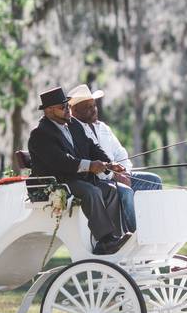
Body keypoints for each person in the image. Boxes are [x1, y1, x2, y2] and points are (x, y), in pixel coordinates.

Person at [28, 86, 130, 255]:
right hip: (57, 182)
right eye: (63, 107)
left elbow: (92, 147)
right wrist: (89, 166)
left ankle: (114, 238)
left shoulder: (74, 124)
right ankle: (105, 240)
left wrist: (109, 163)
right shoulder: (40, 134)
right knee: (91, 192)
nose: (68, 110)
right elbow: (60, 161)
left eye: (68, 106)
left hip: (77, 179)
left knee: (110, 190)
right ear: (49, 110)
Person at [67, 84, 163, 232]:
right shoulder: (74, 131)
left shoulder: (103, 127)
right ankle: (134, 234)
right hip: (98, 180)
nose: (94, 109)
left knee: (154, 181)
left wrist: (125, 172)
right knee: (125, 191)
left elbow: (120, 153)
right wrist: (114, 176)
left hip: (119, 175)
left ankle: (153, 227)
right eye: (88, 107)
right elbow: (89, 161)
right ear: (74, 111)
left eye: (94, 105)